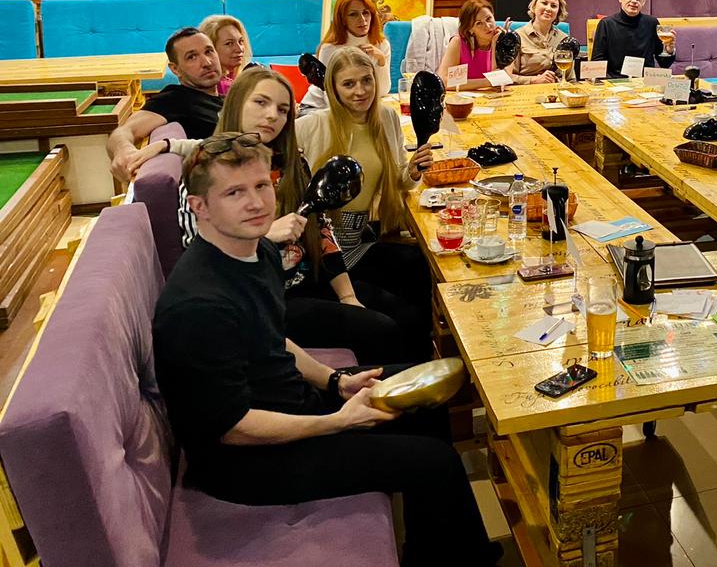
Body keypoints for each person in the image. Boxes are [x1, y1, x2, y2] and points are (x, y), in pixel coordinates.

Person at [152, 134, 499, 566]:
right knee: (434, 462)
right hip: (246, 463)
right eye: (234, 192)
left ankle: (437, 548)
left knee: (425, 401)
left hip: (289, 405)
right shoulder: (197, 305)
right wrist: (337, 422)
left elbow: (273, 340)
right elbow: (233, 427)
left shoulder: (255, 251)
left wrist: (337, 381)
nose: (256, 202)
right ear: (200, 206)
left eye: (262, 186)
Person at [125, 67, 410, 364]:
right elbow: (197, 252)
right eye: (261, 103)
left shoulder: (291, 159)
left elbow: (321, 230)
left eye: (283, 109)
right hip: (262, 299)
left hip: (305, 278)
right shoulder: (206, 169)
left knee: (405, 314)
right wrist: (266, 236)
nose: (272, 115)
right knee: (383, 331)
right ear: (237, 103)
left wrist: (348, 296)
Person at [296, 47, 435, 331]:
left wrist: (413, 171)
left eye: (366, 80)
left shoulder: (387, 117)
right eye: (348, 84)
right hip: (322, 251)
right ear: (333, 88)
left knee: (420, 266)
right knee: (402, 315)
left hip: (360, 238)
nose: (360, 91)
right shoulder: (309, 126)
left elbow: (400, 179)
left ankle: (431, 357)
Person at [107, 26, 224, 182]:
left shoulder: (226, 97)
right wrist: (123, 150)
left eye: (209, 51)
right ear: (175, 69)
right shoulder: (176, 99)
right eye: (192, 57)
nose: (207, 62)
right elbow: (124, 131)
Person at [300, 0, 391, 112]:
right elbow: (329, 97)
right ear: (342, 20)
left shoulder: (381, 44)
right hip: (319, 108)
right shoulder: (330, 48)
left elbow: (383, 91)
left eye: (365, 13)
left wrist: (381, 60)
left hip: (359, 107)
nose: (362, 19)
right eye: (353, 14)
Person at [591, 0, 664, 78]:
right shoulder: (606, 24)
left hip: (645, 83)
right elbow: (597, 64)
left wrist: (669, 49)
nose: (634, 0)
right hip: (615, 84)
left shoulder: (652, 23)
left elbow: (665, 63)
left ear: (643, 2)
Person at [437, 0, 506, 91]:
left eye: (489, 19)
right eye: (479, 23)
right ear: (470, 29)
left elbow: (502, 80)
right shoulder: (458, 43)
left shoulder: (505, 41)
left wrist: (494, 44)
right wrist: (486, 82)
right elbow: (443, 81)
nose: (487, 26)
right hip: (463, 100)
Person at [508, 0, 570, 85]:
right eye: (544, 3)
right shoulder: (516, 37)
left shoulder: (564, 39)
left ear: (558, 12)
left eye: (553, 6)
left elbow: (570, 79)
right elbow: (507, 77)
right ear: (534, 6)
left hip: (554, 92)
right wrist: (532, 80)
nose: (548, 8)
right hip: (525, 93)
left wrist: (556, 81)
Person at [200, 14, 254, 96]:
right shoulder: (217, 87)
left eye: (240, 41)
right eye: (229, 43)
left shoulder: (240, 76)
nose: (239, 49)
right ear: (211, 49)